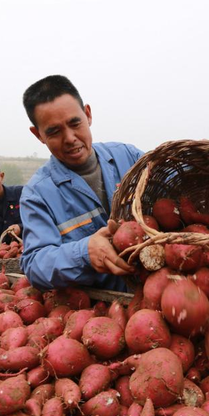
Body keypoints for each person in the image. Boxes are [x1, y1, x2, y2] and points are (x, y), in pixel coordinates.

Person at [19, 75, 143, 291]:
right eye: (54, 131)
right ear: (38, 134)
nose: (69, 138)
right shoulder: (37, 195)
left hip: (161, 288)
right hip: (105, 310)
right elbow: (35, 264)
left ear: (88, 114)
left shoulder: (129, 158)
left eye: (75, 123)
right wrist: (85, 252)